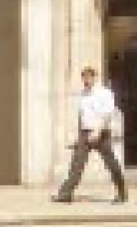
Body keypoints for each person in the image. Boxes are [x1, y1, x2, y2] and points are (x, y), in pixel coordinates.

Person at [53, 66, 126, 206]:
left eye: (88, 77)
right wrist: (78, 136)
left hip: (101, 133)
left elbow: (108, 114)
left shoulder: (105, 93)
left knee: (111, 164)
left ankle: (122, 193)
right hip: (85, 133)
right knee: (76, 164)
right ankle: (65, 194)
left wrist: (98, 131)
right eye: (84, 78)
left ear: (94, 77)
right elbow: (82, 116)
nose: (86, 80)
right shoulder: (84, 94)